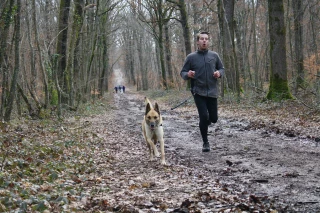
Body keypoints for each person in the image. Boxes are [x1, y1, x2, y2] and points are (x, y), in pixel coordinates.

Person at [180, 31, 225, 152]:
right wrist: (188, 74)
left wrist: (219, 73)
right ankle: (205, 142)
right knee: (203, 116)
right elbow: (183, 72)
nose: (204, 41)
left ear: (208, 41)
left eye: (206, 39)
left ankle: (206, 122)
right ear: (198, 41)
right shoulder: (191, 57)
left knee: (214, 118)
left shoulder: (214, 56)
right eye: (202, 39)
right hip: (198, 92)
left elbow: (222, 68)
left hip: (212, 91)